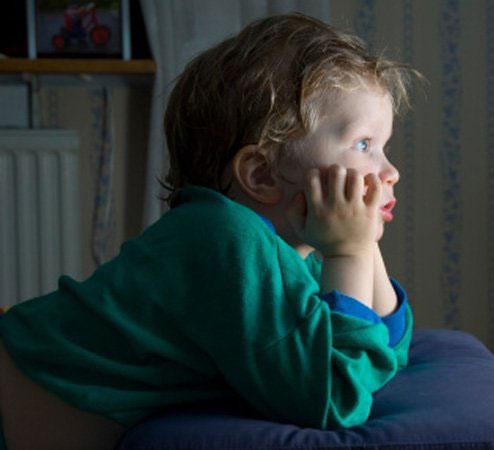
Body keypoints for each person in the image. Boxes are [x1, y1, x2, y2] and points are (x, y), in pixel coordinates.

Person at [0, 13, 419, 450]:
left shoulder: (296, 255)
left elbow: (387, 352)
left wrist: (362, 244)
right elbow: (334, 398)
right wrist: (349, 254)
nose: (390, 172)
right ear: (262, 175)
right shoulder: (224, 238)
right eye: (364, 145)